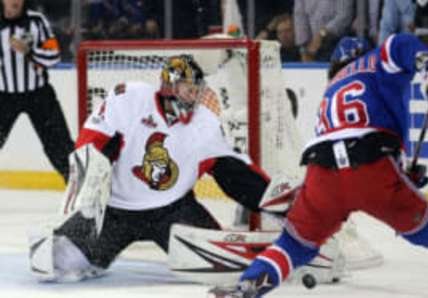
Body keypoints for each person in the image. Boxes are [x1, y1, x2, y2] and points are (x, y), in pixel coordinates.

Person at [208, 34, 428, 297]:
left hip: (321, 173)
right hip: (370, 163)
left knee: (293, 245)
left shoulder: (333, 86)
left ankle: (246, 289)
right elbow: (400, 43)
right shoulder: (375, 61)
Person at [28, 55, 272, 282]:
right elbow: (91, 142)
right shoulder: (129, 98)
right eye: (189, 90)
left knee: (227, 265)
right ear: (170, 87)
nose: (195, 97)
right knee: (56, 261)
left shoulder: (205, 124)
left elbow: (236, 174)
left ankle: (280, 254)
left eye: (198, 90)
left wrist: (275, 200)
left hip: (174, 211)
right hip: (115, 212)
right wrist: (89, 180)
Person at [0, 0, 73, 182]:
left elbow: (53, 56)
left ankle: (78, 190)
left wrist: (29, 52)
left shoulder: (37, 21)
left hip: (39, 95)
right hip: (3, 97)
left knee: (59, 146)